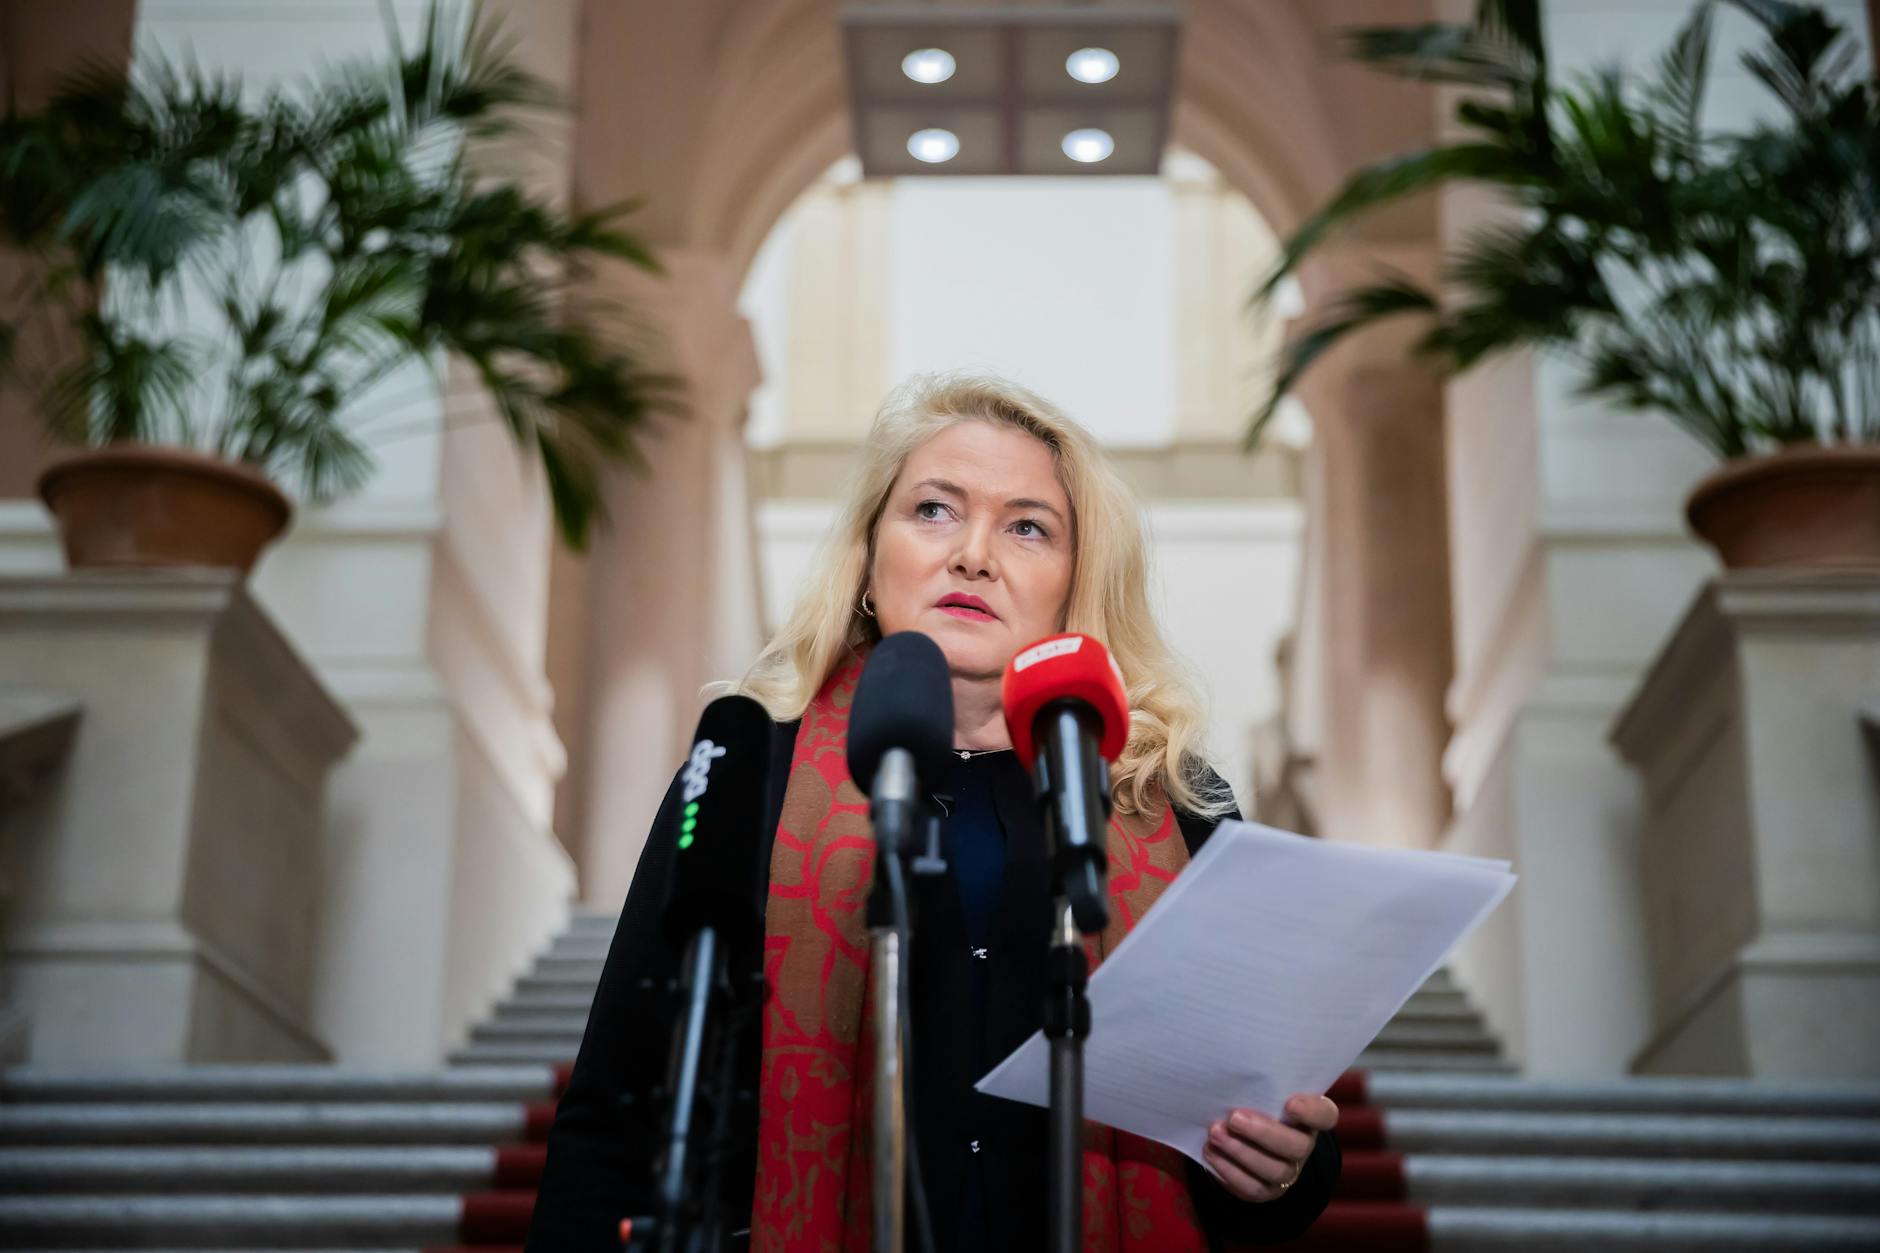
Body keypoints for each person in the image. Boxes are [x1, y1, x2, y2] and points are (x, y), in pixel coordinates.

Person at [526, 373, 1342, 1252]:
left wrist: (1285, 1165)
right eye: (934, 511)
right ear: (871, 559)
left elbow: (1266, 1130)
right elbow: (618, 1105)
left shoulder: (1179, 803)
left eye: (1028, 526)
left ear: (1076, 584)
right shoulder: (747, 771)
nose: (975, 555)